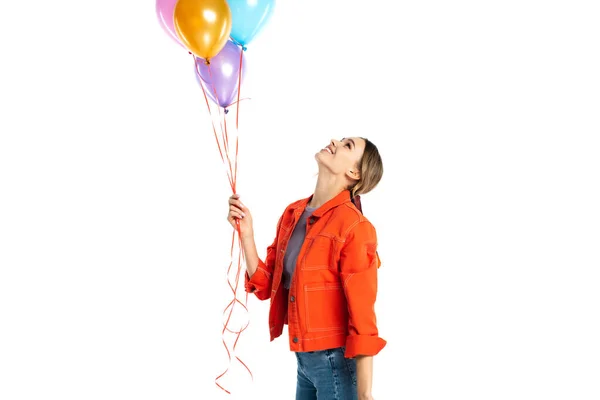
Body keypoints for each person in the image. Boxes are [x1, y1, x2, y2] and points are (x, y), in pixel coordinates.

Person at [227, 137, 385, 400]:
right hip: (304, 365)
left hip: (336, 365)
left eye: (347, 145)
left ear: (354, 173)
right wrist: (246, 235)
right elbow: (267, 286)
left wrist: (365, 394)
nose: (334, 141)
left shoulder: (355, 227)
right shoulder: (293, 213)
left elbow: (363, 316)